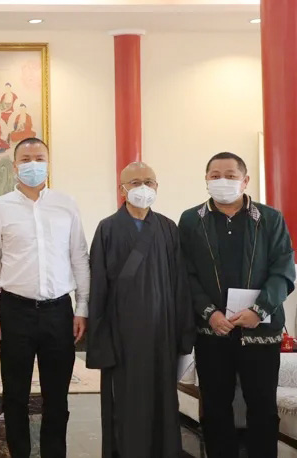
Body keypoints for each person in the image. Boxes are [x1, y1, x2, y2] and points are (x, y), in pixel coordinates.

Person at [179, 152, 295, 458]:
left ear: (245, 181)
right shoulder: (191, 220)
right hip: (212, 330)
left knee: (262, 407)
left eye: (230, 176)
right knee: (215, 407)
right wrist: (210, 313)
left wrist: (259, 310)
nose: (223, 181)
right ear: (206, 180)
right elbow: (186, 273)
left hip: (260, 330)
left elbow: (283, 270)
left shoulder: (270, 219)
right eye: (215, 175)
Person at [0, 137, 90, 458]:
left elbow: (79, 257)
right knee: (14, 395)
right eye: (26, 159)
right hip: (14, 311)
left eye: (39, 158)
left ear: (47, 163)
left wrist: (82, 307)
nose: (33, 164)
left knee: (56, 396)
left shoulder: (66, 204)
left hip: (59, 311)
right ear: (15, 166)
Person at [88, 162, 195, 457]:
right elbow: (98, 287)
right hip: (122, 336)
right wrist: (101, 340)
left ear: (157, 186)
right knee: (125, 405)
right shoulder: (108, 228)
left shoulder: (168, 228)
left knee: (163, 404)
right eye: (135, 183)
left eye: (149, 181)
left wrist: (184, 336)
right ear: (122, 189)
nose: (143, 188)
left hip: (162, 333)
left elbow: (180, 284)